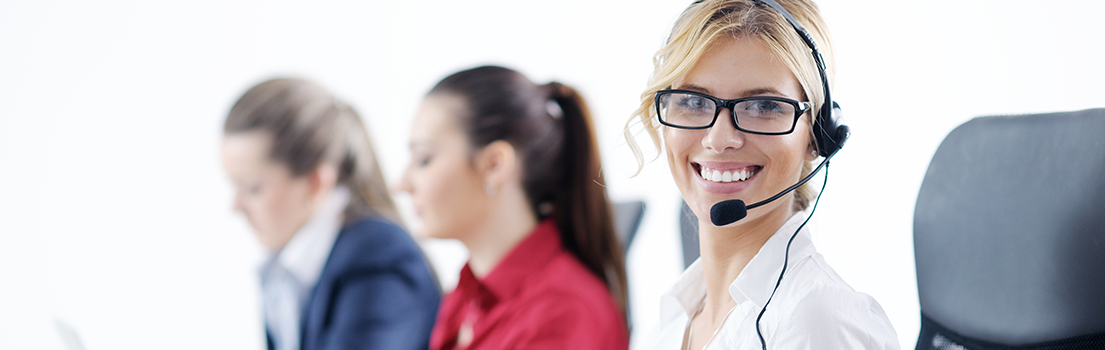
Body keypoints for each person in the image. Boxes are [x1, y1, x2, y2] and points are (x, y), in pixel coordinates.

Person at [625, 0, 900, 349]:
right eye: (693, 101)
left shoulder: (817, 321)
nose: (719, 139)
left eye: (764, 106)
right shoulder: (677, 316)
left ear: (817, 136)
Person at [398, 66, 629, 350]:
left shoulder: (564, 313)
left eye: (424, 160)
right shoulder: (468, 292)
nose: (402, 185)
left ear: (494, 164)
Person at [220, 78, 440, 350]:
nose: (236, 206)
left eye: (252, 188)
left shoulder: (378, 255)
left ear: (315, 183)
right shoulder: (283, 271)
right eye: (233, 184)